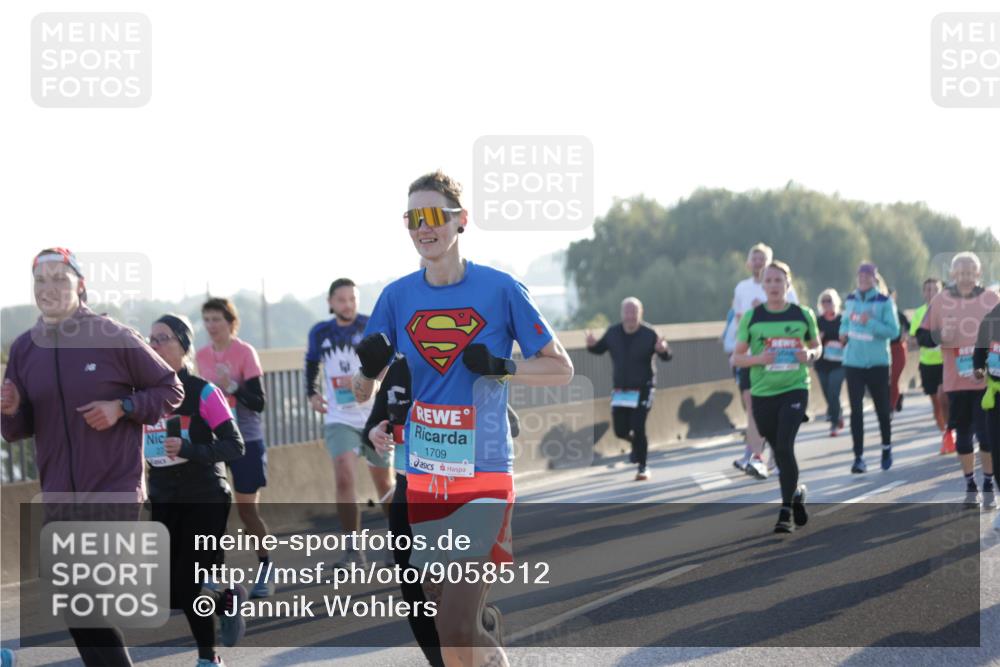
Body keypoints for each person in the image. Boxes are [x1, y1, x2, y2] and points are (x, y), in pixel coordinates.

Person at [353, 170, 573, 667]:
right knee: (452, 625)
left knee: (453, 626)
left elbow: (561, 368)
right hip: (423, 475)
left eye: (433, 216)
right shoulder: (396, 297)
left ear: (460, 221)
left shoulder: (499, 289)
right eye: (412, 218)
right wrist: (366, 372)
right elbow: (365, 388)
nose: (422, 228)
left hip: (483, 474)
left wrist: (505, 366)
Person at [1, 248, 184, 667]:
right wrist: (9, 409)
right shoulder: (25, 349)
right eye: (40, 280)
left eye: (58, 279)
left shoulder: (112, 335)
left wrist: (123, 407)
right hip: (61, 493)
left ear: (80, 285)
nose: (48, 288)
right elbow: (16, 430)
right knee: (76, 605)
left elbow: (170, 389)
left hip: (113, 486)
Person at [363, 353, 513, 666]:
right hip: (411, 492)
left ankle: (481, 627)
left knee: (456, 616)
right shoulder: (397, 370)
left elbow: (510, 423)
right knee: (419, 598)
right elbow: (374, 423)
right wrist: (376, 433)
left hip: (463, 495)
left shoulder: (459, 365)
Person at [145, 314, 247, 666]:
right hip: (163, 497)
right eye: (151, 339)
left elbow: (235, 446)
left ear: (184, 346)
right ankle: (226, 600)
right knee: (168, 591)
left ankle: (208, 658)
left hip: (204, 495)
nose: (154, 345)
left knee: (188, 584)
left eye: (163, 338)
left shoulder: (203, 391)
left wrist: (188, 450)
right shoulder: (143, 396)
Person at [305, 278, 393, 568]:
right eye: (341, 300)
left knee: (385, 483)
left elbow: (388, 363)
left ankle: (399, 541)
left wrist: (378, 387)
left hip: (374, 416)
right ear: (330, 302)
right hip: (339, 417)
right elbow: (311, 363)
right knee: (344, 475)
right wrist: (312, 393)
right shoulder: (320, 332)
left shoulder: (370, 325)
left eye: (352, 299)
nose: (348, 305)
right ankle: (354, 550)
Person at [732, 261, 819, 533]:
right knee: (779, 452)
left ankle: (785, 513)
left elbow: (817, 347)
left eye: (778, 281)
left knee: (783, 446)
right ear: (763, 285)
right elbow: (737, 357)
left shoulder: (803, 314)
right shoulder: (752, 317)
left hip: (794, 388)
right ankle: (796, 493)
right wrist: (760, 358)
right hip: (763, 393)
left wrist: (810, 355)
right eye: (768, 281)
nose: (773, 286)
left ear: (788, 284)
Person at [195, 297, 273, 597]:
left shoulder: (245, 353)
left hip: (246, 440)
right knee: (211, 510)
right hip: (213, 442)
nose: (211, 326)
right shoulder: (200, 356)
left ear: (231, 322)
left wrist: (233, 387)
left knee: (246, 511)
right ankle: (211, 577)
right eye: (207, 320)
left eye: (217, 319)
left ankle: (266, 566)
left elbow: (259, 402)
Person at [917, 253, 998, 508]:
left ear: (978, 274)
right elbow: (922, 336)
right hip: (956, 381)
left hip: (987, 383)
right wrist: (940, 334)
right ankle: (970, 484)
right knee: (963, 438)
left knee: (986, 437)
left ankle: (987, 483)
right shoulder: (941, 301)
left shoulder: (991, 299)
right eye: (960, 273)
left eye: (970, 272)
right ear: (953, 275)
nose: (965, 277)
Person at [731, 243, 799, 478]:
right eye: (755, 258)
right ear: (749, 262)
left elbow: (796, 320)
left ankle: (775, 455)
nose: (758, 263)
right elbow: (738, 318)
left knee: (776, 411)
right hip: (751, 356)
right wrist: (752, 314)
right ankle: (756, 456)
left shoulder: (783, 286)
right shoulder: (742, 288)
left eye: (763, 259)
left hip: (780, 359)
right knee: (751, 407)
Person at [584, 297, 672, 480]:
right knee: (620, 430)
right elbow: (599, 349)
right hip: (621, 390)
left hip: (643, 388)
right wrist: (591, 345)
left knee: (638, 426)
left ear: (641, 313)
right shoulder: (613, 333)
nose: (631, 316)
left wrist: (662, 350)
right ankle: (636, 445)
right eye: (627, 312)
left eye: (634, 312)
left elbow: (667, 356)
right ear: (622, 314)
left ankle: (643, 466)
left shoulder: (649, 333)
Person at [840, 263, 899, 473]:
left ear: (875, 278)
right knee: (856, 411)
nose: (863, 279)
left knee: (882, 410)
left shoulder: (884, 302)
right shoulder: (850, 299)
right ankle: (858, 457)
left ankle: (886, 447)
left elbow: (894, 331)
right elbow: (845, 322)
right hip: (853, 363)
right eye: (860, 276)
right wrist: (843, 332)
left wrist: (871, 323)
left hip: (878, 364)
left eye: (868, 276)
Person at [911, 278, 952, 454]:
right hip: (928, 363)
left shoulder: (949, 310)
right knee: (936, 404)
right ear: (923, 293)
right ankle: (945, 434)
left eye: (935, 289)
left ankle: (952, 432)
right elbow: (914, 339)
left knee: (944, 398)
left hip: (946, 362)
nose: (931, 293)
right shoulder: (919, 313)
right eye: (927, 290)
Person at [814, 289, 846, 437]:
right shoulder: (817, 321)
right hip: (822, 363)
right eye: (824, 301)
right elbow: (810, 342)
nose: (827, 304)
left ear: (836, 302)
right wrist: (818, 339)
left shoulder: (843, 319)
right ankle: (837, 412)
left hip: (840, 363)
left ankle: (834, 423)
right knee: (828, 393)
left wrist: (843, 340)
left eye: (829, 301)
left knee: (834, 390)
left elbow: (850, 338)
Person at [888, 289, 911, 415]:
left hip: (898, 348)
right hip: (883, 349)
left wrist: (905, 335)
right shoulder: (879, 314)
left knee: (894, 379)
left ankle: (890, 408)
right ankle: (897, 397)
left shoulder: (899, 314)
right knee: (886, 380)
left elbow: (909, 328)